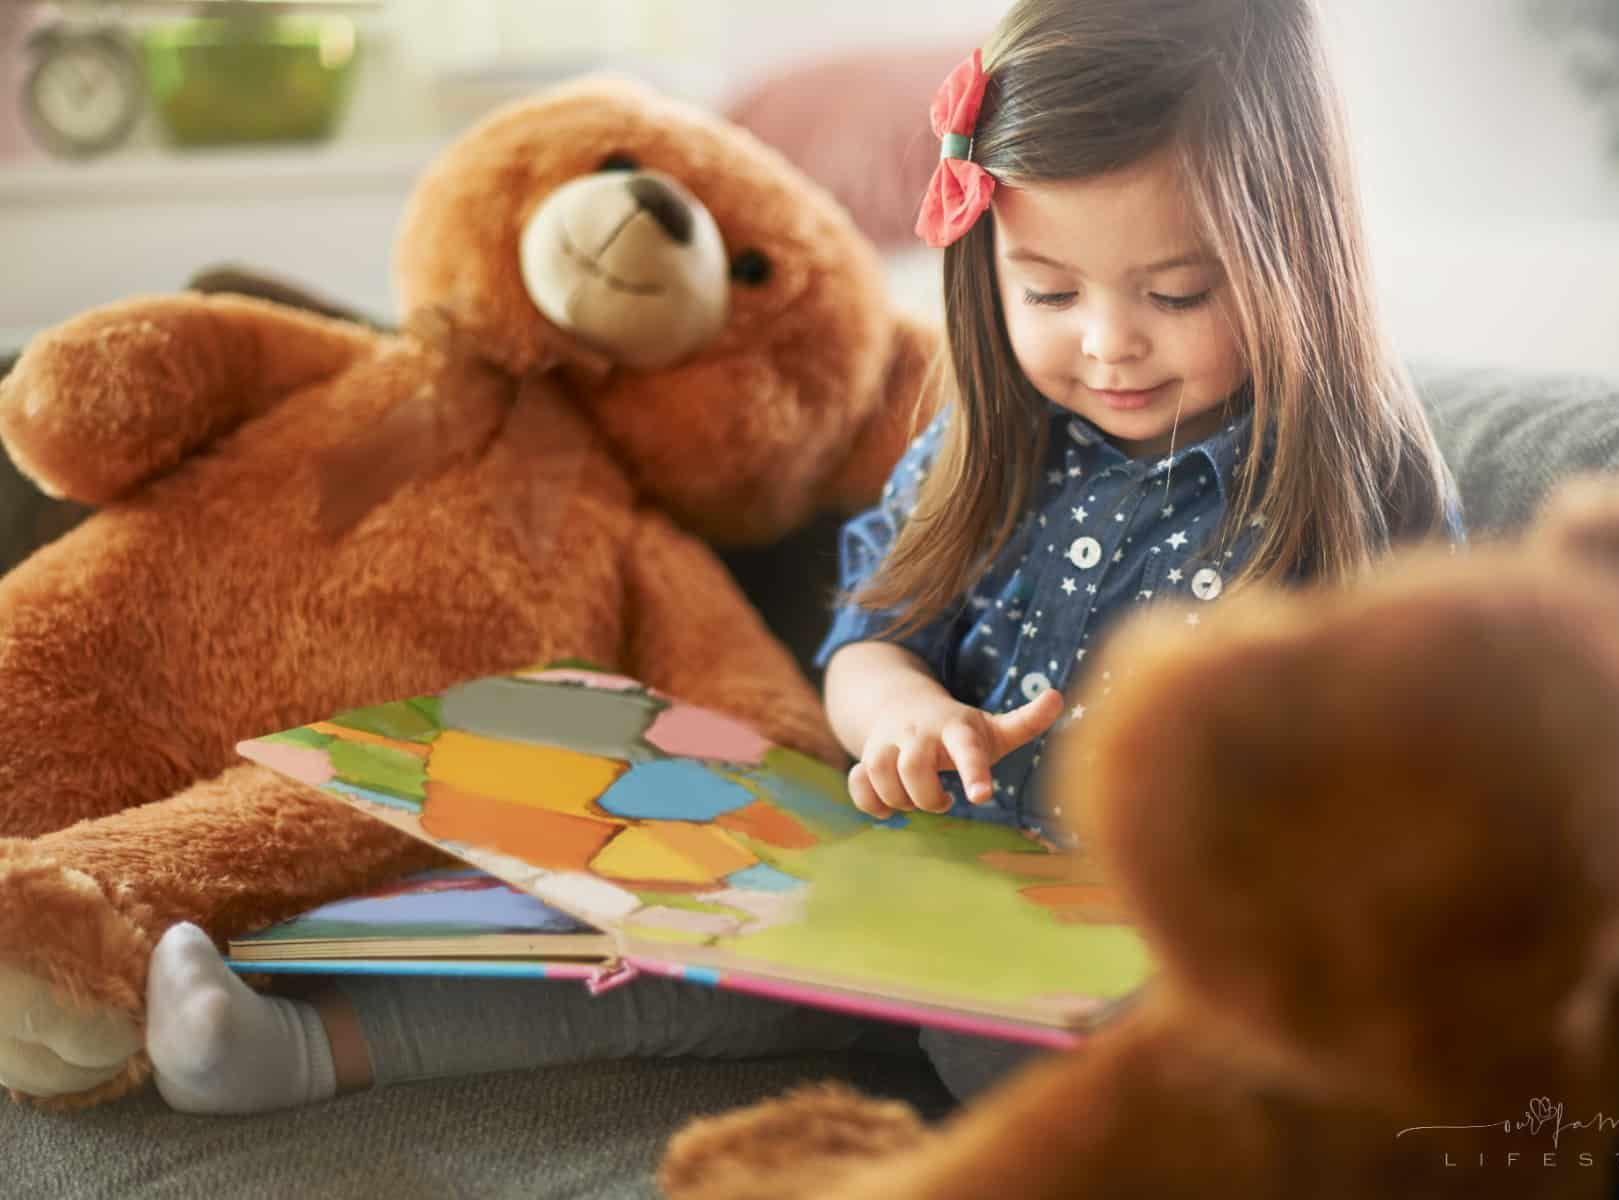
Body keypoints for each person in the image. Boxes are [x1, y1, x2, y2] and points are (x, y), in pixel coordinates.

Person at [144, 0, 1461, 1116]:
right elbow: (871, 636)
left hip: (1152, 986)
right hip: (908, 920)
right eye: (1050, 292)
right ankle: (293, 1053)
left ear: (1298, 251)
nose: (1107, 344)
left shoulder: (1360, 492)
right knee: (645, 957)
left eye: (1176, 293)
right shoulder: (989, 439)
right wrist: (903, 715)